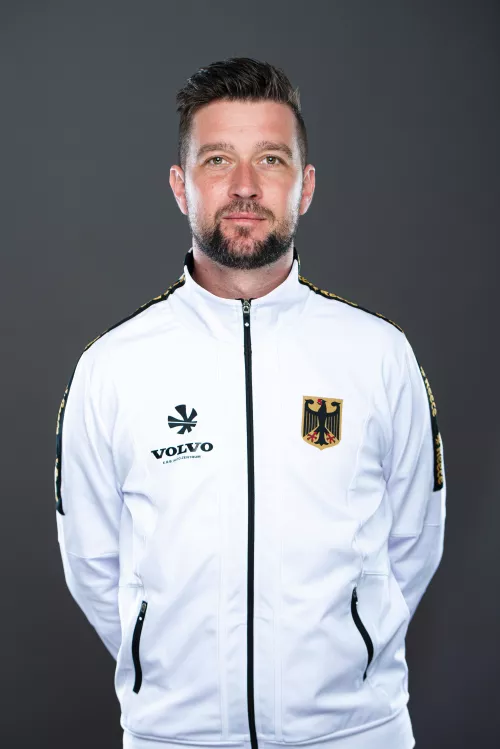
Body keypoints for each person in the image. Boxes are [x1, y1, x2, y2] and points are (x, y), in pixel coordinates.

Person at [54, 57, 446, 749]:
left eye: (270, 158)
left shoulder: (379, 355)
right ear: (180, 185)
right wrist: (170, 671)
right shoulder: (111, 367)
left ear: (306, 185)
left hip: (356, 732)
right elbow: (93, 563)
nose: (243, 186)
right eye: (216, 160)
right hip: (175, 736)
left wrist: (350, 650)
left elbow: (414, 543)